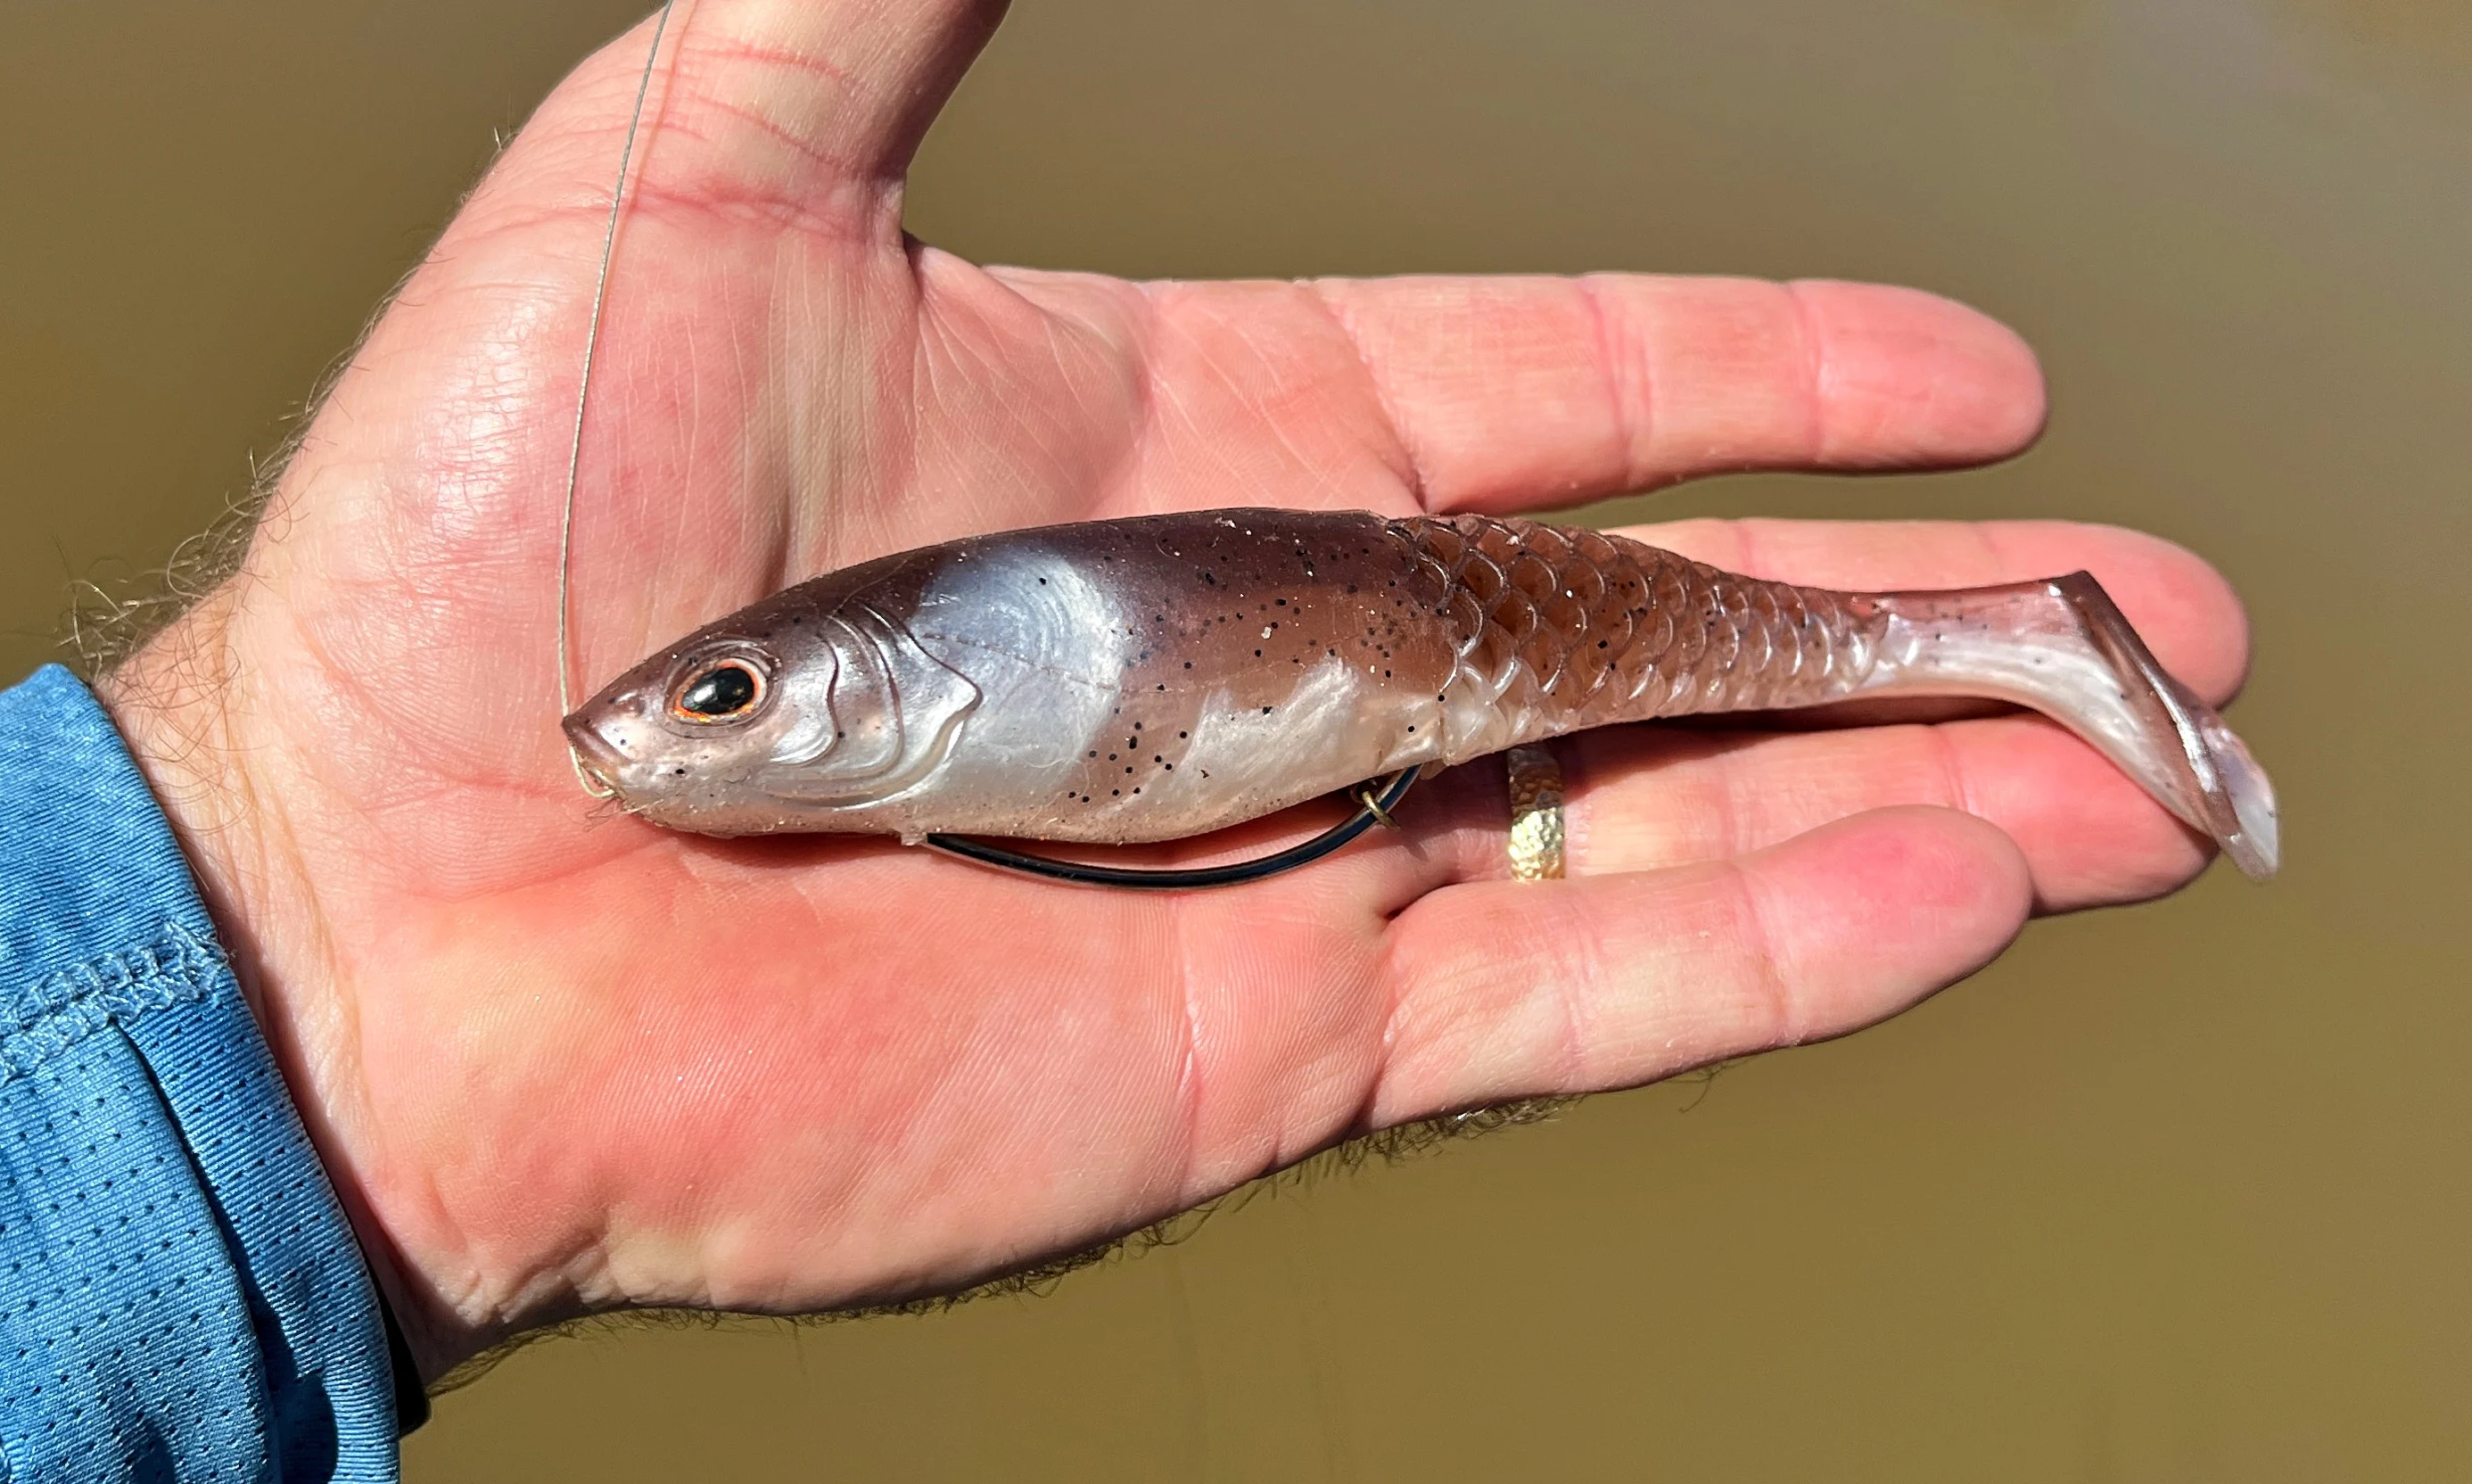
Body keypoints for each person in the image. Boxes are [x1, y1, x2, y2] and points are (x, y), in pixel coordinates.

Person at [0, 0, 2250, 1475]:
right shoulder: (890, 731)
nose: (673, 740)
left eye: (724, 701)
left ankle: (2028, 644)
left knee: (1750, 645)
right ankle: (2024, 649)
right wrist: (286, 899)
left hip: (1431, 644)